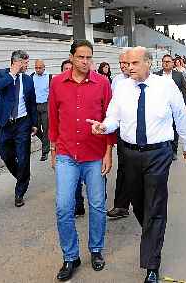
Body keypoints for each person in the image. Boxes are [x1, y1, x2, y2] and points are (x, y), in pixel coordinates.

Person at [87, 46, 186, 283]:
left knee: (155, 206)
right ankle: (152, 232)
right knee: (138, 204)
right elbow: (113, 116)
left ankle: (151, 266)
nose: (129, 68)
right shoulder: (122, 87)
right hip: (130, 154)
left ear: (148, 63)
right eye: (127, 64)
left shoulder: (166, 86)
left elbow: (180, 116)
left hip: (158, 153)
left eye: (134, 63)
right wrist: (104, 127)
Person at [49, 40, 114, 281]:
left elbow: (110, 119)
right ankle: (70, 256)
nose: (85, 62)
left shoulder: (102, 83)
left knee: (97, 205)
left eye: (89, 58)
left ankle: (96, 249)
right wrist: (54, 149)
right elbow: (54, 117)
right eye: (80, 57)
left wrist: (109, 151)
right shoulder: (57, 83)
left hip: (95, 155)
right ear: (72, 57)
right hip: (67, 154)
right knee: (63, 207)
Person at [0, 50, 38, 207]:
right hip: (6, 124)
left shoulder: (28, 80)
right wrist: (13, 74)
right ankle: (23, 177)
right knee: (6, 155)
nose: (26, 65)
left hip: (23, 123)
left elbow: (32, 102)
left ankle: (19, 192)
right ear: (16, 62)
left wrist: (35, 123)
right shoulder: (1, 74)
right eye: (24, 63)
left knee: (23, 157)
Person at [107, 50, 132, 219]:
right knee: (123, 168)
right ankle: (121, 205)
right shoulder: (116, 80)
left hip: (143, 137)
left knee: (139, 172)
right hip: (122, 131)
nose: (123, 66)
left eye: (126, 62)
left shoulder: (147, 80)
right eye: (121, 63)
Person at [59, 59, 85, 217]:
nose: (68, 71)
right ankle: (77, 205)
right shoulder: (57, 87)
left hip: (87, 144)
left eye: (70, 68)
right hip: (67, 147)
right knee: (72, 180)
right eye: (65, 69)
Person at [154, 54, 186, 160]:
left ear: (172, 63)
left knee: (174, 128)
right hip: (160, 107)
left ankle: (173, 151)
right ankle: (161, 150)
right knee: (160, 128)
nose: (166, 63)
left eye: (168, 61)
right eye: (164, 61)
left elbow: (184, 90)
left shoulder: (178, 75)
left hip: (174, 107)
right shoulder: (156, 75)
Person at [31, 59, 52, 161]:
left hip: (45, 105)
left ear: (44, 67)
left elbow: (53, 92)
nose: (38, 69)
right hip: (35, 106)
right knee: (36, 128)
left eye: (40, 67)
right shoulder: (32, 77)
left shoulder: (49, 77)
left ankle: (45, 152)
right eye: (36, 67)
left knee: (46, 128)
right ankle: (46, 143)